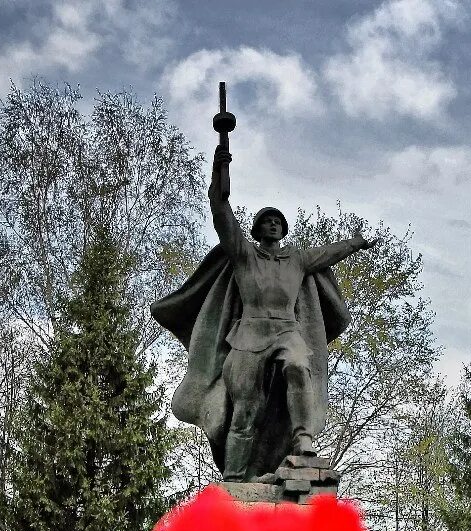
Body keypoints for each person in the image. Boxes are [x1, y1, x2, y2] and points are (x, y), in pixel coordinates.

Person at [151, 144, 377, 480]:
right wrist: (219, 172)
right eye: (266, 221)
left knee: (299, 367)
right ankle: (235, 476)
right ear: (257, 230)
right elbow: (220, 211)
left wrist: (355, 243)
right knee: (245, 408)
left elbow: (330, 253)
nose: (272, 225)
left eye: (277, 222)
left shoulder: (298, 259)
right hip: (248, 336)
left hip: (287, 331)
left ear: (283, 230)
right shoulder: (245, 256)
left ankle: (303, 438)